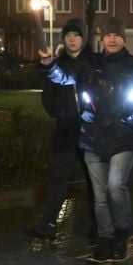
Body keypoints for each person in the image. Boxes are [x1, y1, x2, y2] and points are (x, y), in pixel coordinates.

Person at [47, 17, 133, 262]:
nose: (112, 39)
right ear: (102, 38)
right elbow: (65, 78)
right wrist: (48, 64)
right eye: (108, 35)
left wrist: (129, 122)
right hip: (92, 137)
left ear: (123, 38)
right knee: (99, 196)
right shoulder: (91, 64)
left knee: (115, 185)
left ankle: (122, 233)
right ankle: (105, 239)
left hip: (124, 137)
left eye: (117, 35)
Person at [25, 18, 95, 241]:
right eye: (68, 35)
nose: (72, 39)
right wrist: (55, 110)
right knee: (57, 176)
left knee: (93, 179)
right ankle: (48, 223)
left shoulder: (92, 63)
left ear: (83, 38)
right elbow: (48, 86)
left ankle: (97, 225)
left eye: (76, 35)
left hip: (88, 129)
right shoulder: (58, 62)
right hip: (65, 129)